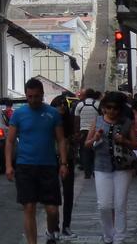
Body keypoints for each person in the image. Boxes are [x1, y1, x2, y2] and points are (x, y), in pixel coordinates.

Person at [5, 78, 67, 244]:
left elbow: (61, 139)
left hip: (48, 166)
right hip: (25, 166)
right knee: (29, 207)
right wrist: (9, 165)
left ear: (42, 95)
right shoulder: (19, 114)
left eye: (37, 96)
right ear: (26, 95)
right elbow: (10, 141)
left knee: (52, 210)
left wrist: (63, 163)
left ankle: (50, 231)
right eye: (30, 96)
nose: (33, 100)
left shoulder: (52, 113)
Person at [86, 91, 137, 244]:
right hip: (101, 166)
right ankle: (108, 235)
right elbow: (86, 144)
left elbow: (136, 145)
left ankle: (119, 238)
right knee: (104, 205)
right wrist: (95, 138)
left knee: (120, 203)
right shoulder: (97, 121)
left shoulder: (126, 122)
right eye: (108, 107)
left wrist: (124, 141)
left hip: (123, 167)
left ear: (120, 109)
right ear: (103, 107)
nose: (112, 111)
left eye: (115, 108)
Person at [51, 95, 77, 237]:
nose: (62, 106)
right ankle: (54, 226)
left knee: (68, 193)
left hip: (68, 160)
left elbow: (72, 140)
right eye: (59, 104)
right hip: (52, 160)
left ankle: (66, 225)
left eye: (64, 104)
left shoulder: (69, 122)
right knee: (53, 194)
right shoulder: (49, 122)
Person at [74, 88, 100, 179]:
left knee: (84, 152)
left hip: (83, 131)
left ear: (85, 95)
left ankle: (87, 173)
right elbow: (101, 117)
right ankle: (95, 171)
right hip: (95, 131)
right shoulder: (98, 104)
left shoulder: (80, 105)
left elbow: (77, 120)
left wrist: (77, 132)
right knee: (96, 151)